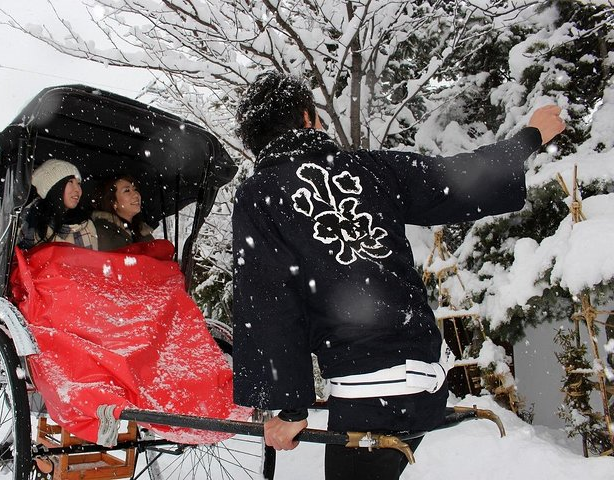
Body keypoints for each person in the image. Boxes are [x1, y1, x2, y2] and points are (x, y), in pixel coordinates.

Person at [231, 71, 565, 480]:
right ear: (307, 117)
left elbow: (267, 303)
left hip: (369, 391)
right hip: (427, 373)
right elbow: (458, 178)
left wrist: (289, 409)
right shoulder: (371, 167)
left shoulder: (259, 195)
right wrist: (530, 136)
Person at [18, 159, 98, 250]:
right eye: (70, 182)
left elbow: (93, 262)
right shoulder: (28, 219)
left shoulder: (86, 225)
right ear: (54, 187)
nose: (78, 189)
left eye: (78, 183)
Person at [91, 175, 154, 251]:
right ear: (114, 202)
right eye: (127, 190)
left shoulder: (143, 232)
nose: (136, 195)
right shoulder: (103, 231)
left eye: (135, 189)